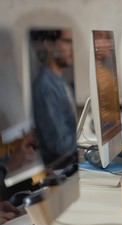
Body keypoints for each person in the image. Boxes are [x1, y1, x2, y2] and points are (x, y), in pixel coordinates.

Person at [31, 29, 77, 166]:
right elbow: (61, 146)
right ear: (49, 44)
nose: (72, 48)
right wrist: (92, 140)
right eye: (67, 42)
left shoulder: (62, 82)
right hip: (62, 168)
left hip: (73, 160)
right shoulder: (45, 85)